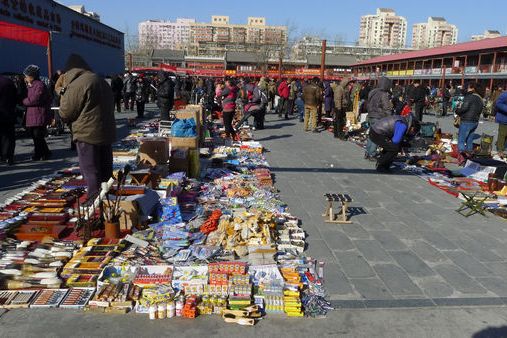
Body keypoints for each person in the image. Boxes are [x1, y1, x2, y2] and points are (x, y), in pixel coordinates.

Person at [58, 54, 116, 198]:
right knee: (105, 168)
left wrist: (61, 93)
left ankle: (94, 199)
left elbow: (66, 112)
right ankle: (107, 197)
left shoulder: (78, 83)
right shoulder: (100, 81)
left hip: (87, 132)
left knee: (90, 168)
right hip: (105, 131)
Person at [22, 65, 51, 161]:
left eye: (26, 76)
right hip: (34, 114)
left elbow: (35, 99)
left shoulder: (39, 85)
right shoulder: (32, 85)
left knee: (37, 136)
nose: (25, 78)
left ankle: (40, 154)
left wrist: (24, 101)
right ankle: (44, 152)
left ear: (32, 76)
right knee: (36, 136)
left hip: (38, 114)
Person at [365, 76, 393, 160]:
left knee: (371, 135)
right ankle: (372, 153)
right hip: (378, 116)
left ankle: (368, 152)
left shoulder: (372, 92)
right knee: (377, 136)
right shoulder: (383, 94)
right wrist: (389, 117)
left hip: (371, 115)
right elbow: (387, 107)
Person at [455, 82, 484, 154]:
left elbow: (463, 108)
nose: (467, 89)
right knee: (469, 139)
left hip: (467, 120)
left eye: (468, 87)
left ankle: (462, 156)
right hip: (475, 121)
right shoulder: (480, 98)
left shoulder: (469, 97)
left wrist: (457, 111)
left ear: (472, 88)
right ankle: (469, 153)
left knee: (461, 139)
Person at [0, 75, 17, 165]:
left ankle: (2, 155)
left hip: (2, 112)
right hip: (9, 112)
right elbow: (16, 97)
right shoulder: (8, 81)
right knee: (9, 136)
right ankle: (9, 156)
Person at [495, 89, 507, 157]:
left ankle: (503, 149)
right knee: (502, 135)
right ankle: (500, 150)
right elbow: (498, 103)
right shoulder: (505, 94)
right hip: (504, 119)